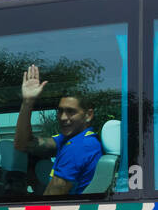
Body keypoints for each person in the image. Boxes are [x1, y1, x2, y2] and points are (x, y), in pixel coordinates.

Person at [13, 66, 103, 195]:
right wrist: (28, 102)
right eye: (60, 111)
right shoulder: (70, 140)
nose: (63, 117)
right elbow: (23, 144)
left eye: (71, 112)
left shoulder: (79, 147)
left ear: (88, 115)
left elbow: (49, 202)